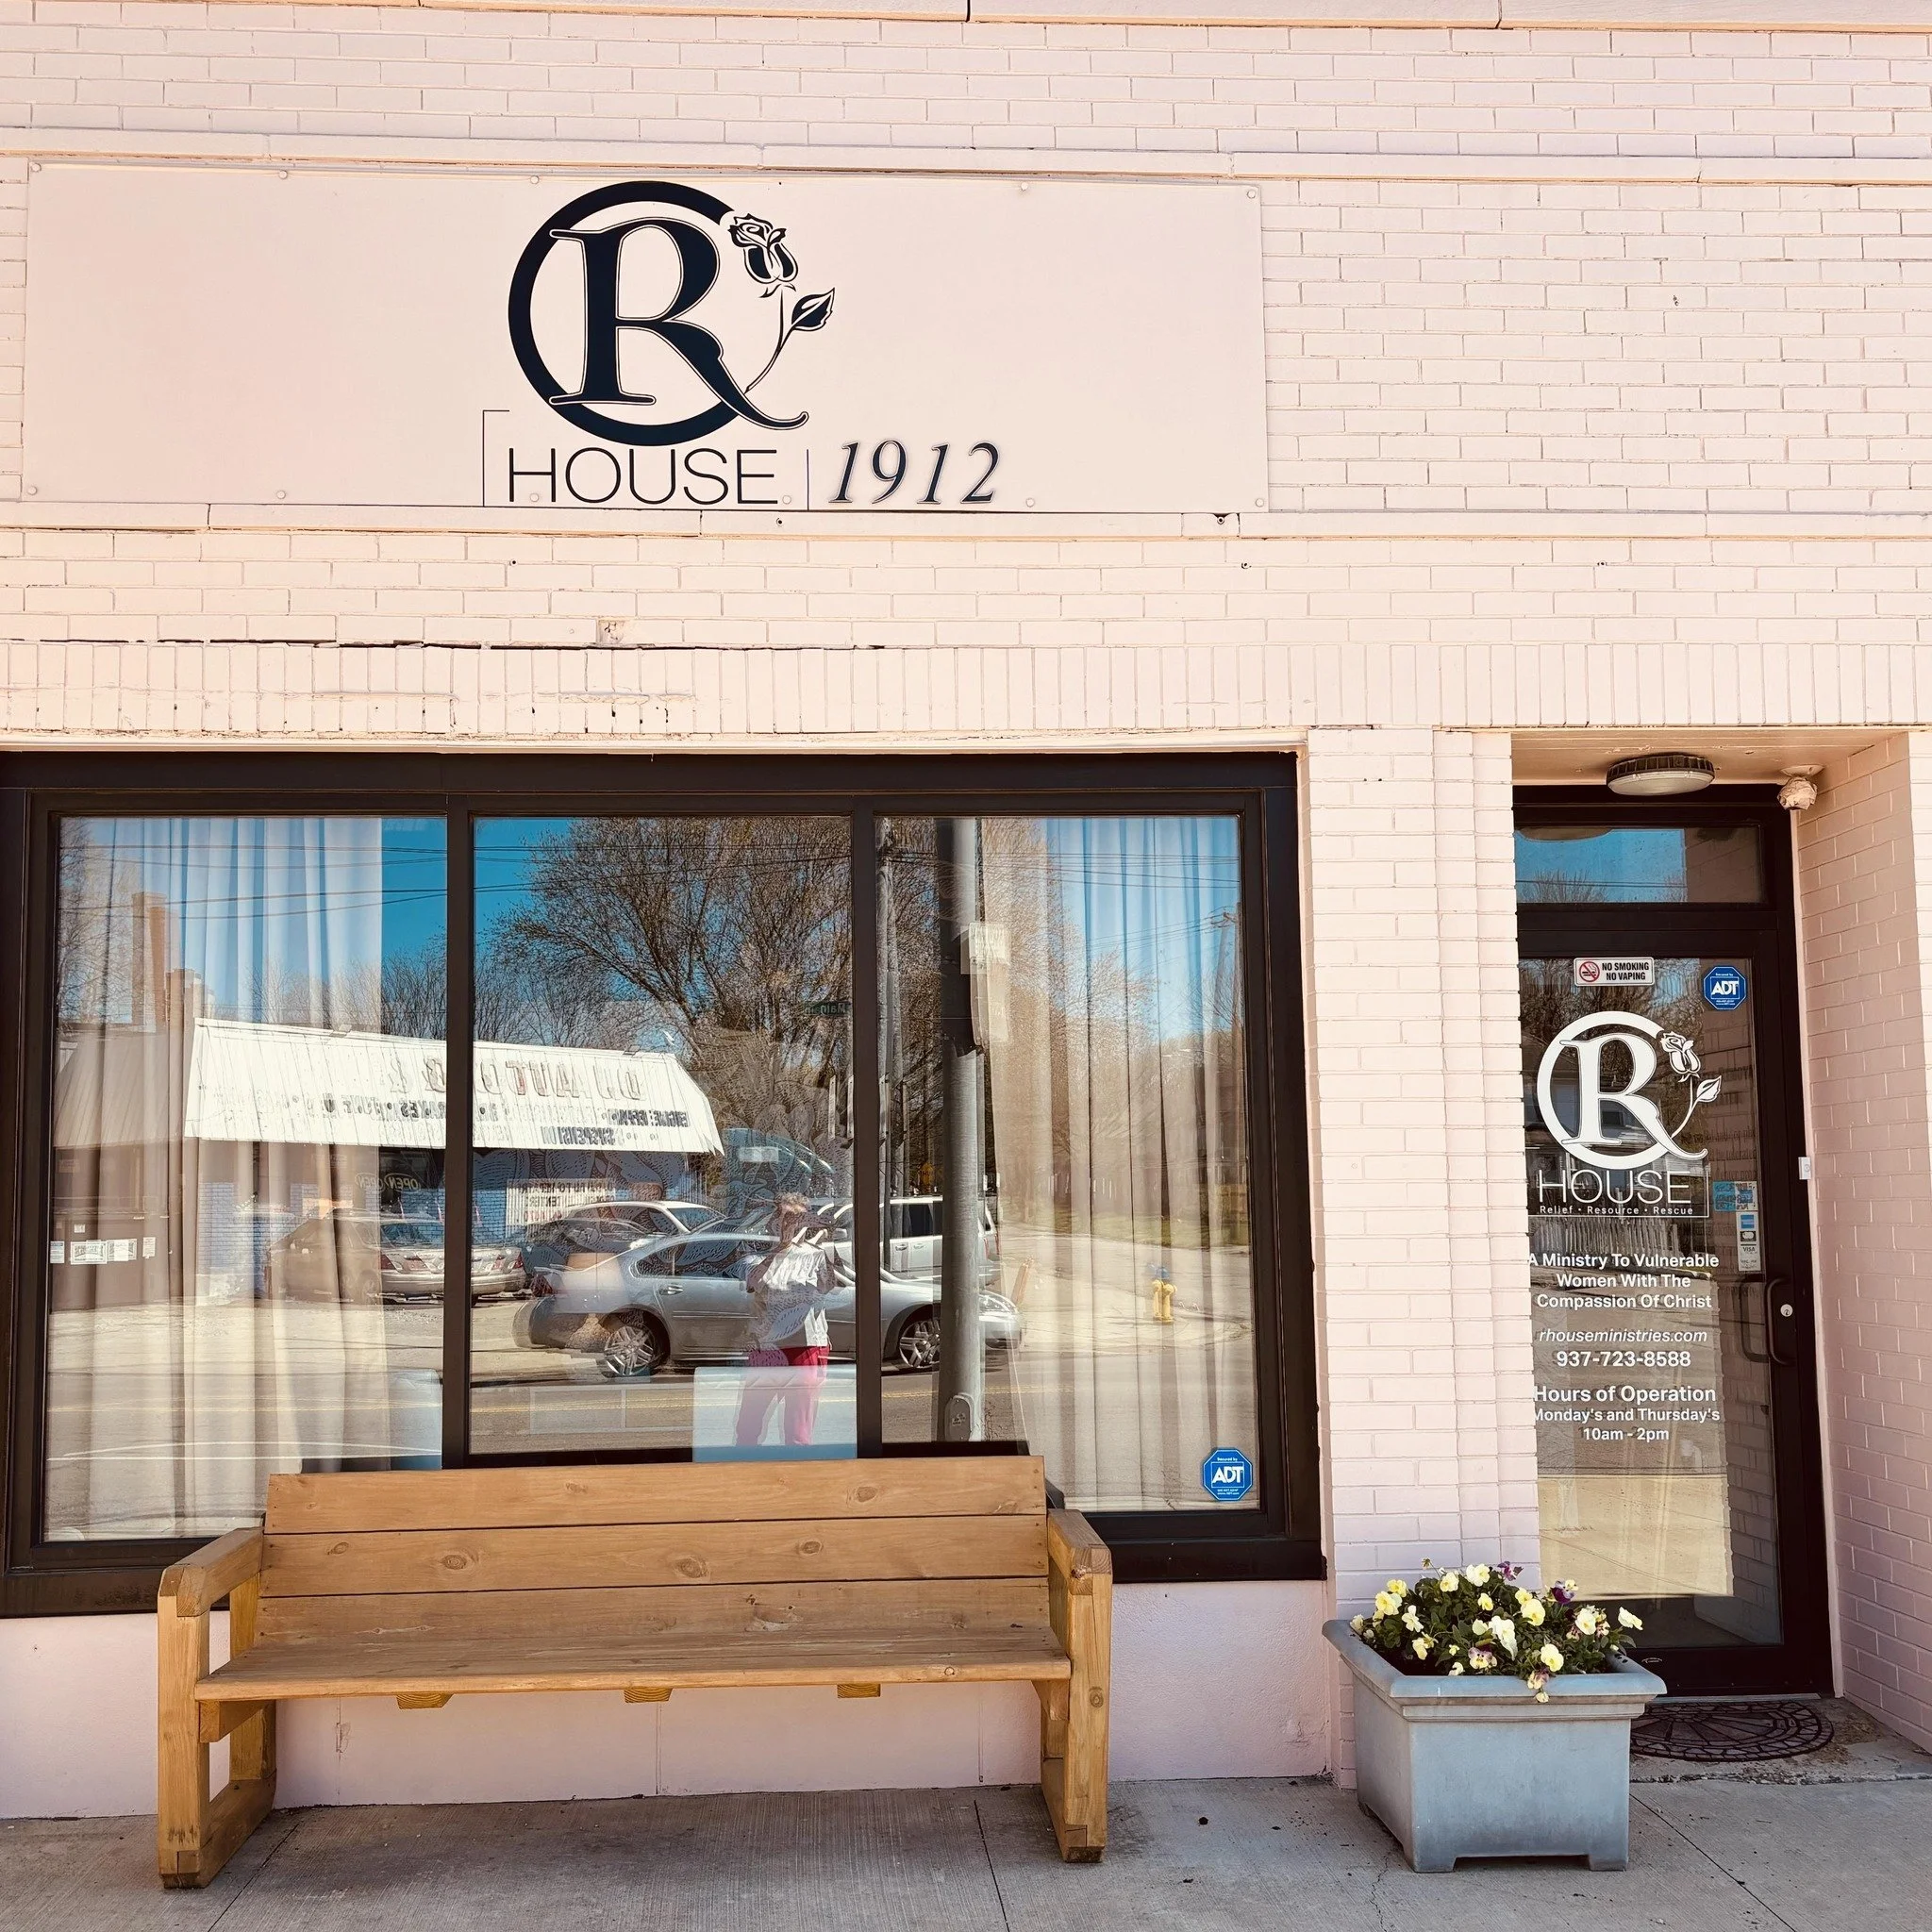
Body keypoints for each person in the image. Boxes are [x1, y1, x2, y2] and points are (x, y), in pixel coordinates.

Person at [734, 1193, 835, 1450]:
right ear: (773, 1220)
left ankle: (798, 1478)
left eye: (796, 1218)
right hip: (768, 1348)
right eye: (783, 1216)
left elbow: (822, 1290)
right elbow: (758, 1286)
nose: (788, 1224)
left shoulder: (817, 1255)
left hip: (806, 1346)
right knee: (749, 1425)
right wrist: (779, 1251)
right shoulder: (756, 1256)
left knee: (798, 1430)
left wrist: (827, 1244)